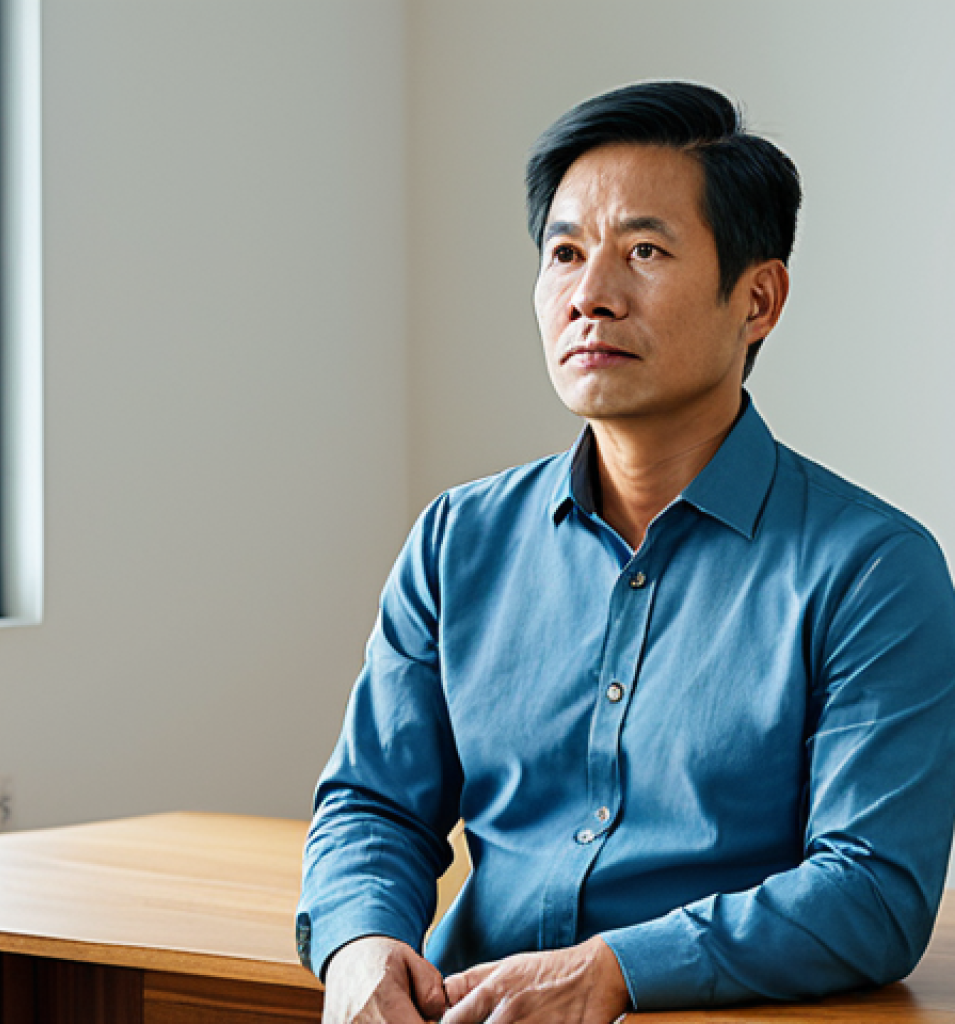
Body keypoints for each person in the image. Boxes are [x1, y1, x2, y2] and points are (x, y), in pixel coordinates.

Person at [296, 81, 955, 1023]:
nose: (590, 296)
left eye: (643, 251)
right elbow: (372, 806)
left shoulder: (874, 570)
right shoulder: (457, 539)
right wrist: (358, 945)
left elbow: (872, 894)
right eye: (564, 253)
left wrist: (613, 970)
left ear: (758, 299)